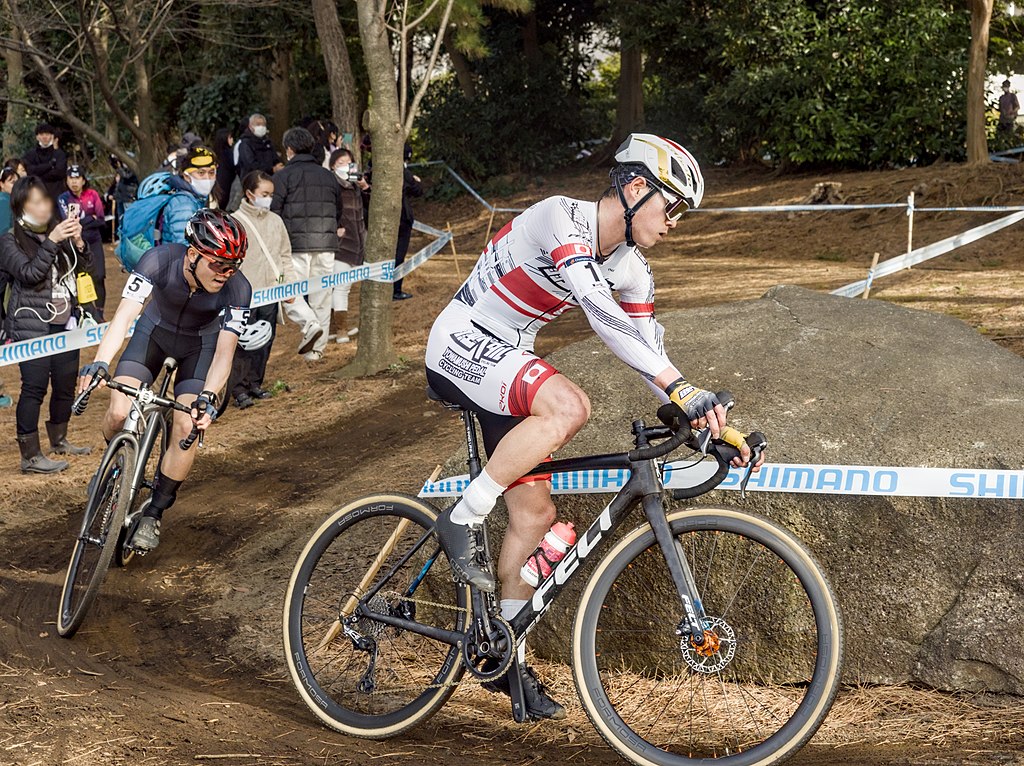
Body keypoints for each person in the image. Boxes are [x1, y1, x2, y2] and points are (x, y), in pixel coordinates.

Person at [425, 134, 763, 719]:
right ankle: (462, 517)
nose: (673, 223)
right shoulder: (562, 219)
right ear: (635, 190)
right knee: (568, 406)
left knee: (534, 517)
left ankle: (506, 661)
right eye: (671, 206)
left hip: (505, 357)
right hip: (462, 340)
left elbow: (644, 344)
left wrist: (704, 418)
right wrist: (682, 389)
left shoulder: (632, 270)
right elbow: (600, 316)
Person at [76, 209, 251, 551]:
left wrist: (209, 397)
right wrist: (100, 362)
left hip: (200, 348)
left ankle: (154, 513)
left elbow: (225, 353)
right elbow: (125, 314)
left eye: (233, 266)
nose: (226, 274)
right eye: (218, 264)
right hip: (152, 335)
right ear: (192, 254)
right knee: (118, 411)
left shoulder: (238, 290)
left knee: (186, 427)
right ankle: (114, 466)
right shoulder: (158, 260)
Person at [1, 176, 92, 473]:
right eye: (34, 202)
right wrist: (53, 240)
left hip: (66, 322)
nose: (42, 207)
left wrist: (77, 242)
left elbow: (82, 268)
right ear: (20, 207)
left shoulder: (59, 232)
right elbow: (29, 274)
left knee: (65, 384)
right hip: (32, 325)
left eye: (44, 200)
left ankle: (60, 439)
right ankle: (30, 456)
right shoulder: (10, 240)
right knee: (34, 388)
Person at [229, 171, 318, 407]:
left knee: (265, 339)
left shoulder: (276, 221)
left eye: (271, 194)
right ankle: (238, 389)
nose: (268, 199)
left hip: (272, 292)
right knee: (242, 343)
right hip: (245, 295)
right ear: (249, 194)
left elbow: (284, 256)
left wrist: (289, 286)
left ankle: (255, 383)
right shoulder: (236, 222)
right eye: (264, 194)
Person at [271, 127, 342, 362]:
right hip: (326, 243)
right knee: (322, 296)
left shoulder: (282, 176)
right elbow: (338, 208)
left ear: (289, 149)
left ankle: (309, 323)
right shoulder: (328, 175)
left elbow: (274, 211)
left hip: (294, 246)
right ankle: (317, 351)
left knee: (289, 293)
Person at [362, 143, 421, 301]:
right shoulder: (402, 172)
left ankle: (381, 287)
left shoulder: (372, 168)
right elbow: (418, 190)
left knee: (382, 253)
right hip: (401, 218)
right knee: (398, 255)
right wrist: (416, 180)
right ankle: (395, 289)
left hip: (377, 217)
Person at [328, 148, 367, 342]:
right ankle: (341, 330)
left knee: (345, 287)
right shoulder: (331, 185)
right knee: (341, 287)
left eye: (348, 162)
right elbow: (325, 210)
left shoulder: (355, 186)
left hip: (357, 242)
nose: (345, 165)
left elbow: (370, 208)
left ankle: (335, 328)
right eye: (341, 162)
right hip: (341, 244)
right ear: (333, 165)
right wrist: (334, 229)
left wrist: (365, 187)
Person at [58, 165, 107, 320]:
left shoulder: (92, 195)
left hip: (94, 240)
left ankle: (99, 312)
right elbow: (68, 221)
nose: (74, 182)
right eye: (71, 178)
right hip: (73, 243)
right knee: (81, 277)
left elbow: (100, 220)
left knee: (99, 276)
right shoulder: (63, 198)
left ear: (83, 180)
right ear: (66, 180)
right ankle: (84, 313)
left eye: (77, 178)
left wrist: (82, 221)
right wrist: (89, 219)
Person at [159, 145, 218, 246]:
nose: (207, 178)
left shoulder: (197, 198)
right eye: (201, 173)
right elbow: (184, 246)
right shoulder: (183, 205)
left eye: (211, 173)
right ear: (187, 176)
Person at [22, 123, 68, 200]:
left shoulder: (60, 154)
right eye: (41, 134)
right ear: (37, 137)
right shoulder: (30, 155)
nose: (44, 136)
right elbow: (29, 171)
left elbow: (60, 173)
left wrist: (38, 174)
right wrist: (50, 166)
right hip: (35, 196)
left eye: (47, 134)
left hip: (56, 196)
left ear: (52, 136)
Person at [236, 114, 282, 179]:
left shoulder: (268, 142)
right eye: (258, 124)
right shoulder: (245, 144)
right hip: (252, 180)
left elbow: (275, 158)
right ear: (250, 126)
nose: (261, 127)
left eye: (263, 125)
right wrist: (271, 169)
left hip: (269, 178)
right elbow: (251, 165)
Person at [213, 128, 237, 210]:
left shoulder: (216, 153)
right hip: (225, 182)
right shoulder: (228, 153)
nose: (232, 140)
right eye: (230, 138)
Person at [0, 165, 16, 235]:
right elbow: (3, 232)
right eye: (12, 182)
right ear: (2, 184)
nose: (16, 185)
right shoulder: (4, 202)